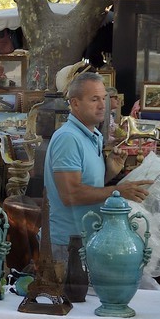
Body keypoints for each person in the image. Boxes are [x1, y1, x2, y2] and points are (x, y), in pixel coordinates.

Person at [42, 73, 151, 266]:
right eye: (94, 99)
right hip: (68, 244)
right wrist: (117, 191)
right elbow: (71, 194)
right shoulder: (68, 138)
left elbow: (87, 185)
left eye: (103, 98)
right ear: (75, 103)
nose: (102, 105)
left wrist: (109, 172)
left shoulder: (94, 135)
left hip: (89, 239)